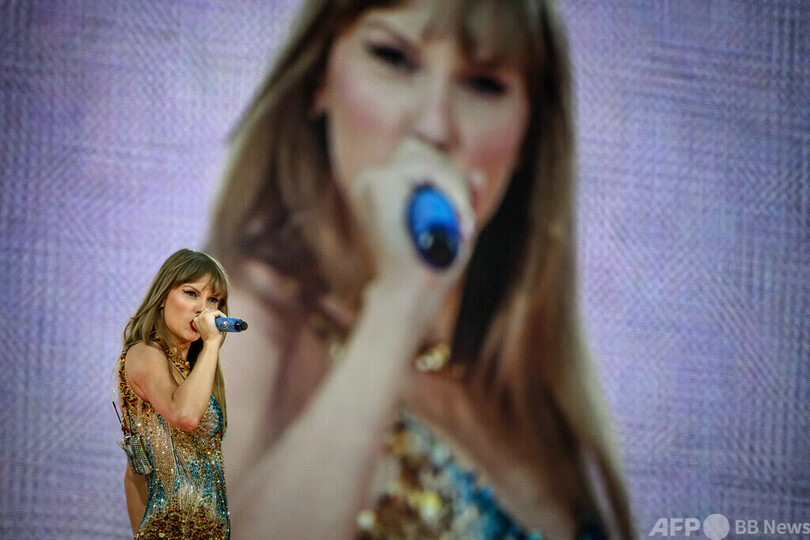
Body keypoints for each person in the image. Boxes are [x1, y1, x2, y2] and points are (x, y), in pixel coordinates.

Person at [208, 0, 635, 538]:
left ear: (529, 135)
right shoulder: (238, 323)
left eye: (483, 85)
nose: (434, 127)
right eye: (394, 58)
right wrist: (399, 301)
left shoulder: (527, 381)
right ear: (319, 79)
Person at [115, 249, 231, 539]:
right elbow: (185, 415)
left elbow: (134, 472)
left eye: (213, 300)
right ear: (162, 297)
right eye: (191, 293)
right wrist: (212, 345)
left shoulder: (194, 370)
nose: (203, 310)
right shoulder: (145, 353)